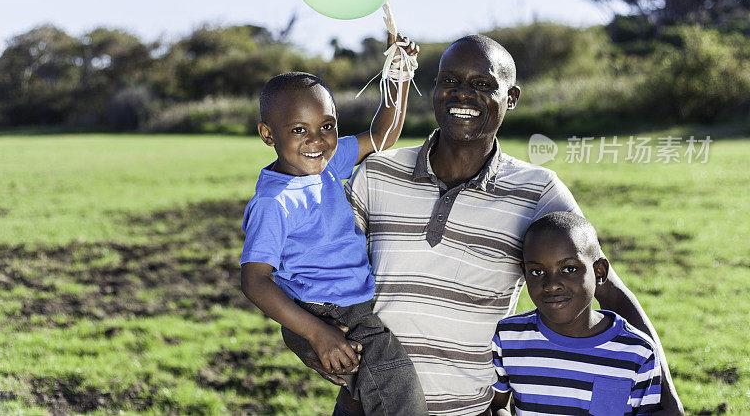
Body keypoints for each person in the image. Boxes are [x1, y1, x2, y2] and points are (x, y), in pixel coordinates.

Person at [283, 34, 684, 416]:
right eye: (450, 81)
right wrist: (308, 339)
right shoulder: (376, 173)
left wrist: (668, 401)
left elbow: (605, 287)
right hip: (365, 408)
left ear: (511, 97)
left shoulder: (539, 191)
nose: (462, 93)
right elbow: (307, 268)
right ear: (434, 89)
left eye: (481, 83)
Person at [240, 34, 429, 415]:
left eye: (327, 126)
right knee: (400, 392)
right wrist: (314, 332)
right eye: (299, 130)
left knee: (365, 399)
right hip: (334, 312)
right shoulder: (275, 202)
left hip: (353, 301)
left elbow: (383, 135)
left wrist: (399, 75)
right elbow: (255, 280)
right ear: (267, 134)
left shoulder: (328, 165)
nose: (317, 141)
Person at [490, 212, 662, 416]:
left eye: (569, 269)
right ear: (524, 273)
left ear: (600, 272)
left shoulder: (637, 352)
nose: (552, 284)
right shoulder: (508, 337)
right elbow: (498, 404)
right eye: (537, 272)